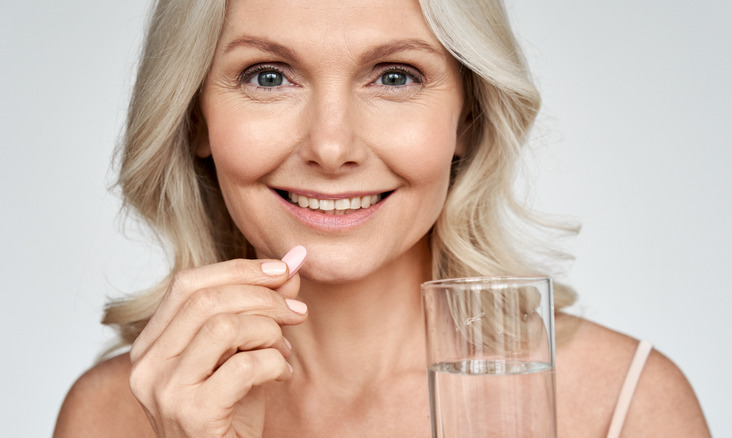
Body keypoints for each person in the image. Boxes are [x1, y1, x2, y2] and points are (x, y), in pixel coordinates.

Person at [53, 0, 711, 436]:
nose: (332, 147)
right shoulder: (113, 417)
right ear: (196, 118)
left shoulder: (624, 408)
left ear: (468, 119)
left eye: (394, 77)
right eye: (268, 76)